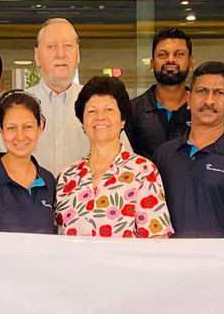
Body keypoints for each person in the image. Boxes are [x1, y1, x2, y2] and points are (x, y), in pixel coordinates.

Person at [150, 62, 224, 239]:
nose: (209, 101)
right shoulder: (163, 155)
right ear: (188, 99)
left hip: (223, 258)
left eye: (219, 93)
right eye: (201, 91)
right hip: (170, 256)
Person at [0, 18, 127, 172]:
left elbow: (124, 162)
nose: (61, 54)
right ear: (37, 56)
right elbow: (1, 169)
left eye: (68, 46)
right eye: (51, 47)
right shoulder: (16, 108)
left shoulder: (98, 105)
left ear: (78, 54)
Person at [54, 75, 172, 238]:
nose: (100, 117)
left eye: (109, 110)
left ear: (123, 120)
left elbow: (157, 239)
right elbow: (53, 241)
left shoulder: (143, 171)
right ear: (83, 123)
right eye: (91, 111)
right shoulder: (66, 177)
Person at [0, 91, 58, 233]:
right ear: (0, 130)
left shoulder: (48, 180)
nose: (20, 137)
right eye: (11, 128)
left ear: (40, 127)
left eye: (28, 127)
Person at [127, 27, 192, 157]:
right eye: (163, 55)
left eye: (179, 54)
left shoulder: (203, 109)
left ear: (191, 62)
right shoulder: (131, 111)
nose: (170, 60)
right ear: (152, 63)